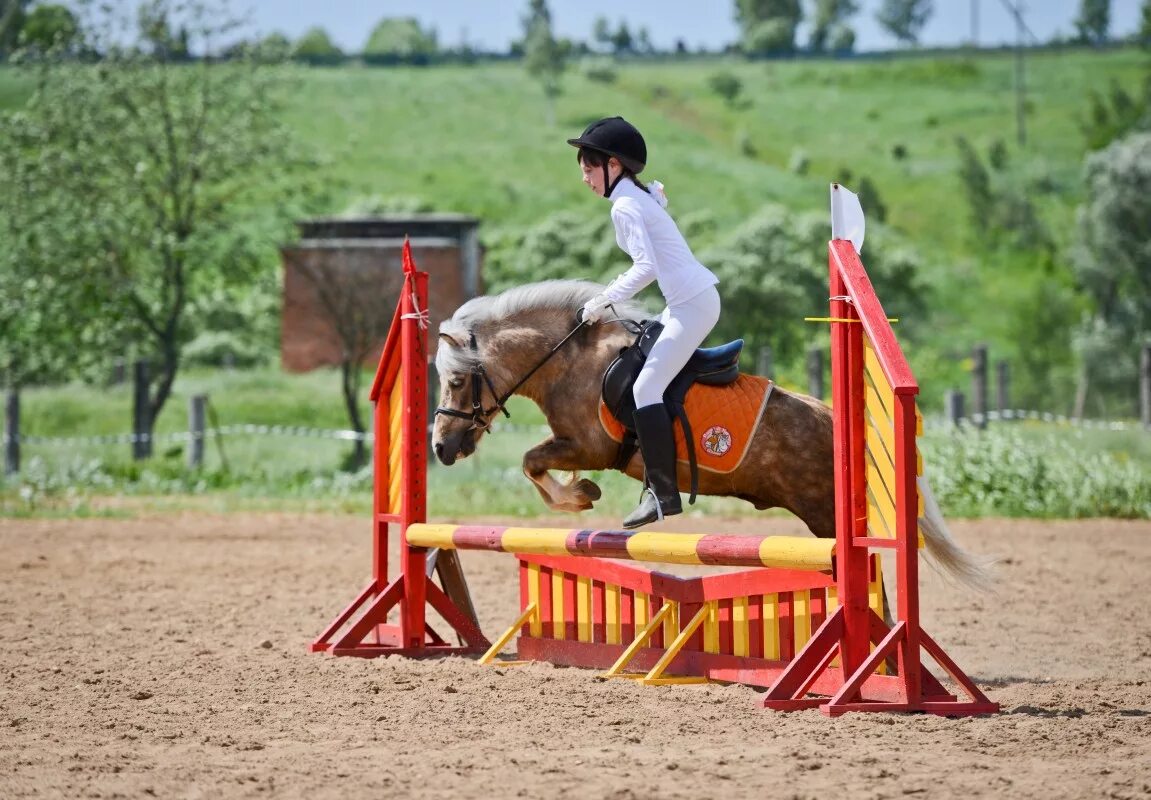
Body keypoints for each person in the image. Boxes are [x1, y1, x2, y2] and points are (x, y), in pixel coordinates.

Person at [567, 116, 721, 529]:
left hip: (691, 305)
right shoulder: (637, 196)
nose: (584, 178)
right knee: (638, 365)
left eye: (588, 168)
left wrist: (602, 299)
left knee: (645, 387)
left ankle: (662, 494)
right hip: (688, 301)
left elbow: (646, 267)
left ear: (613, 165)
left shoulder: (625, 205)